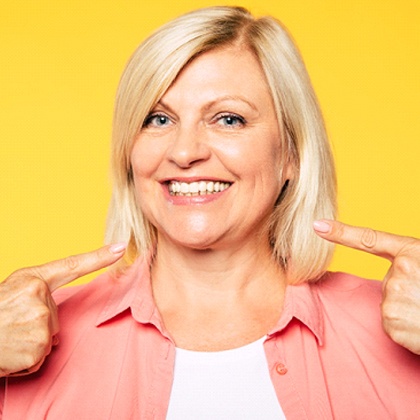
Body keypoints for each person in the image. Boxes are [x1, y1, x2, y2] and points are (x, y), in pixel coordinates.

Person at [1, 5, 420, 419]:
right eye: (158, 119)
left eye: (229, 119)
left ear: (292, 154)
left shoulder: (399, 333)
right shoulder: (19, 338)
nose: (184, 152)